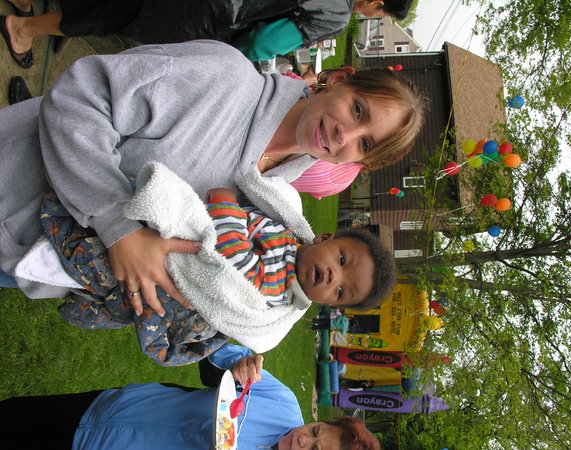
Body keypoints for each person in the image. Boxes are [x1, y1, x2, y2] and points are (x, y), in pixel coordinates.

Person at [0, 40, 428, 318]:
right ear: (337, 80)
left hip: (31, 262)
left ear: (360, 162)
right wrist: (117, 224)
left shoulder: (273, 198)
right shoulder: (225, 76)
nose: (344, 135)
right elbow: (82, 95)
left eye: (364, 143)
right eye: (357, 110)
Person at [27, 167, 395, 365]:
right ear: (324, 238)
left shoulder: (276, 285)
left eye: (341, 291)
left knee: (81, 255)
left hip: (188, 264)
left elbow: (231, 258)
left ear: (329, 304)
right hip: (165, 244)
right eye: (341, 260)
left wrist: (225, 202)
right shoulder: (289, 236)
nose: (332, 276)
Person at [0, 343, 381, 449]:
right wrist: (237, 365)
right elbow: (212, 356)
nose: (302, 440)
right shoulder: (280, 401)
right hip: (109, 410)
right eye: (314, 431)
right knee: (13, 418)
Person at [1, 0, 413, 68]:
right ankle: (24, 28)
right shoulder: (335, 14)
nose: (371, 16)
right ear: (377, 3)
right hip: (206, 13)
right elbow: (261, 43)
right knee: (116, 15)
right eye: (378, 13)